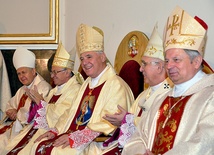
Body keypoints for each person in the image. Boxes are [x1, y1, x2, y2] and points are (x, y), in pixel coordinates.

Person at [28, 23, 134, 155]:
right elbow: (70, 112)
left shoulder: (116, 85)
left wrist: (77, 138)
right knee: (39, 145)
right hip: (75, 136)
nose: (84, 62)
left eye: (89, 57)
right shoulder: (86, 83)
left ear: (102, 57)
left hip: (98, 143)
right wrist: (55, 131)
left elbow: (111, 122)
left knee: (57, 152)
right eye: (82, 58)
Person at [122, 6, 214, 155]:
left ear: (196, 61)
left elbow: (206, 142)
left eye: (176, 59)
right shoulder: (161, 99)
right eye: (167, 60)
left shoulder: (210, 97)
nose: (169, 66)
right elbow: (138, 136)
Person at [101, 24, 173, 155]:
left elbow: (156, 129)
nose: (140, 69)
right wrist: (122, 122)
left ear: (160, 67)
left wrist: (127, 119)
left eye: (144, 64)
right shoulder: (143, 95)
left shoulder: (169, 96)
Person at [1, 43, 84, 155]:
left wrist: (41, 103)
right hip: (38, 129)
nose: (52, 76)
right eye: (51, 72)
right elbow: (42, 116)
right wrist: (38, 105)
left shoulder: (75, 90)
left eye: (55, 72)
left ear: (68, 72)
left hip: (60, 132)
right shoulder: (55, 90)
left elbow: (62, 116)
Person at [0, 46, 52, 152]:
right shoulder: (22, 89)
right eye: (19, 73)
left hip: (31, 129)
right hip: (17, 127)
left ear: (33, 71)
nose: (21, 76)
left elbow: (35, 115)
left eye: (24, 72)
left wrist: (17, 113)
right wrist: (10, 111)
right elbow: (10, 105)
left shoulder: (42, 87)